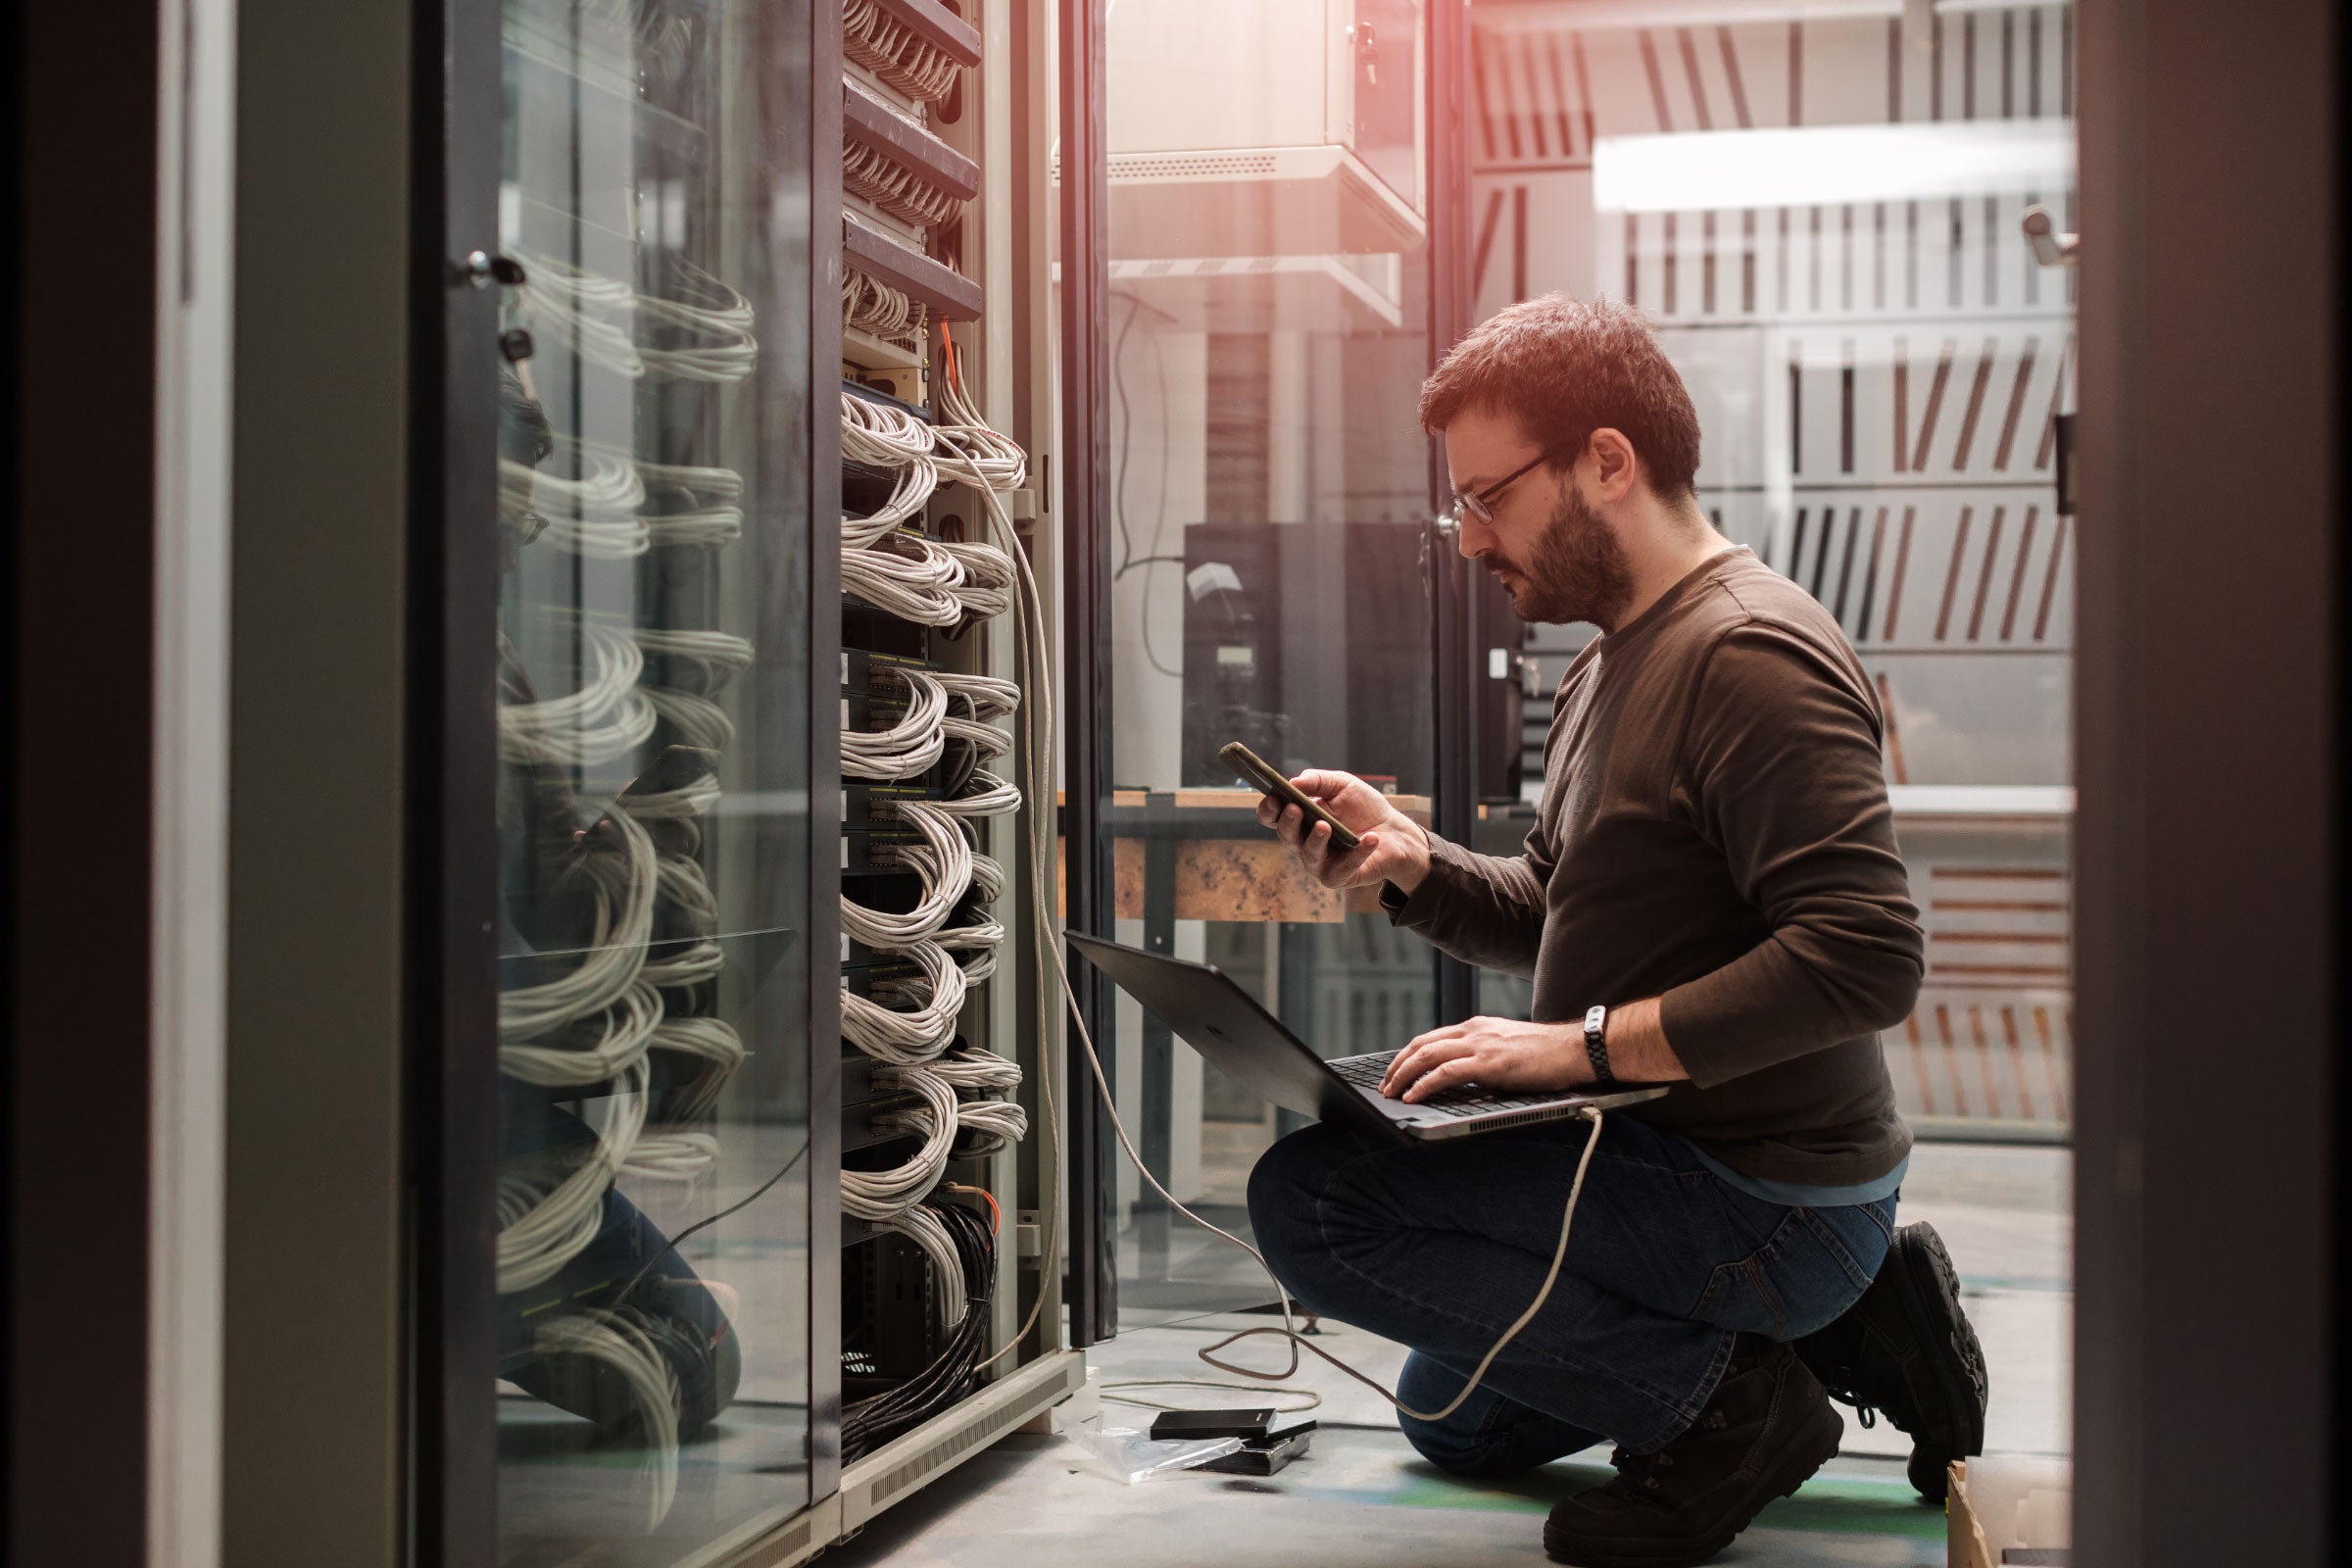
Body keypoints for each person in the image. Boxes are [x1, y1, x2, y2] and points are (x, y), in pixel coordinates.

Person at [1244, 295, 1987, 1568]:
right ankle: (1842, 1329)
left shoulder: (1747, 653)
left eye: (1490, 498)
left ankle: (1740, 1407)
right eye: (1458, 507)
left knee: (1318, 1203)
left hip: (1761, 1190)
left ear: (1606, 458)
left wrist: (1576, 1053)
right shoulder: (1606, 659)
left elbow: (1865, 957)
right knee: (1449, 1419)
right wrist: (1411, 867)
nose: (1471, 541)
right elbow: (1556, 908)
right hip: (1664, 1148)